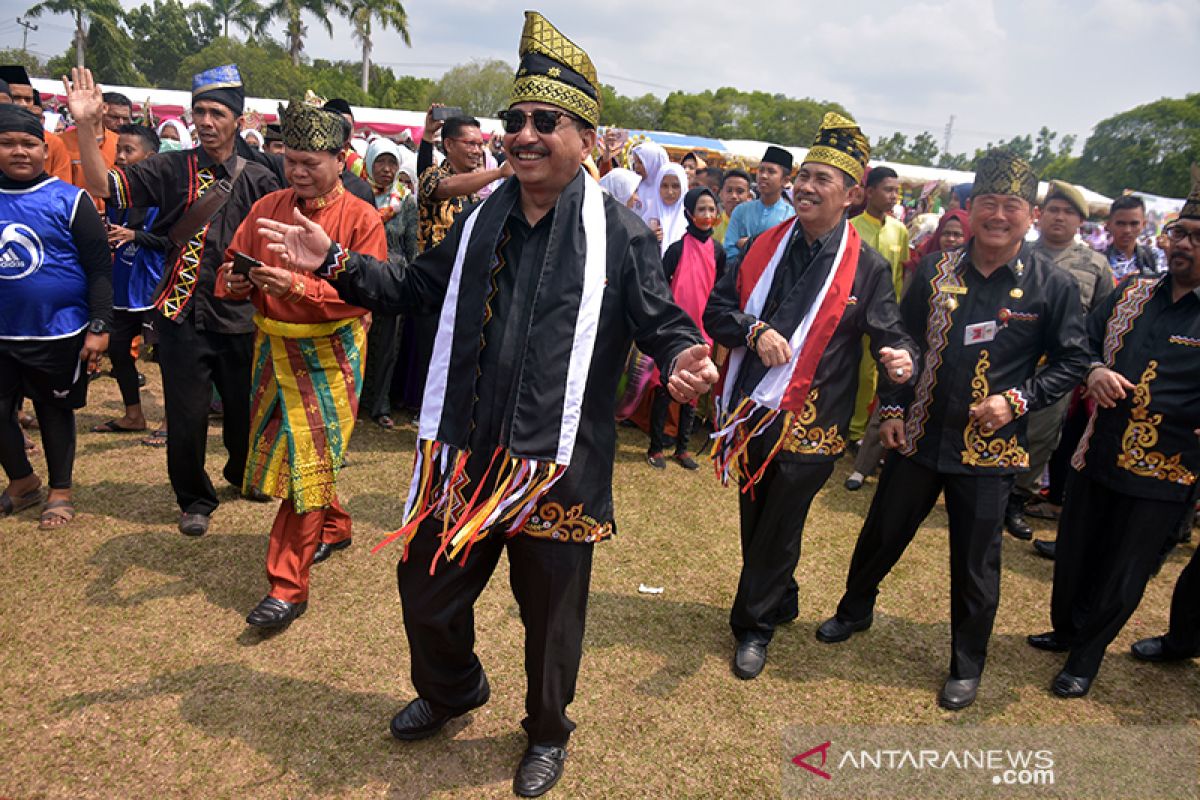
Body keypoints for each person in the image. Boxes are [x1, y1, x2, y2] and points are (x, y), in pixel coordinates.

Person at [254, 13, 717, 796]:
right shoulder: (480, 219)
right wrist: (334, 260)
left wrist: (680, 357)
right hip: (464, 452)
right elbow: (411, 286)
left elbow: (660, 319)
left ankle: (545, 731)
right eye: (515, 121)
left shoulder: (622, 232)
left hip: (558, 469)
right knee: (425, 591)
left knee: (552, 621)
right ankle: (452, 690)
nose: (524, 135)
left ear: (587, 137)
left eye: (546, 121)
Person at [816, 149, 1089, 711]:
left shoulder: (1050, 286)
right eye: (988, 202)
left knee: (974, 564)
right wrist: (892, 409)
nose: (998, 214)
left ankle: (967, 664)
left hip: (989, 452)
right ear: (971, 208)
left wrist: (1017, 400)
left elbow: (1072, 361)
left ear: (1029, 215)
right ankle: (854, 609)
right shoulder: (936, 272)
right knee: (882, 534)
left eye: (1011, 205)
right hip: (918, 436)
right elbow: (902, 341)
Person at [704, 113, 915, 680]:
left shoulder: (866, 267)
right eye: (806, 175)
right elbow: (716, 312)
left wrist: (899, 355)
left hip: (816, 423)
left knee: (782, 520)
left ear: (849, 196)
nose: (806, 186)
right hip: (753, 412)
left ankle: (754, 625)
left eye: (823, 179)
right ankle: (782, 591)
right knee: (757, 514)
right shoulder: (758, 247)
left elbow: (890, 331)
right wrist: (755, 331)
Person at [65, 64, 281, 537]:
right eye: (199, 111)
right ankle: (194, 498)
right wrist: (85, 125)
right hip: (181, 312)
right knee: (186, 415)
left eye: (217, 113)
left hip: (243, 315)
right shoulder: (170, 167)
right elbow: (105, 187)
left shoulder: (261, 179)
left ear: (238, 119)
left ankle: (242, 473)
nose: (206, 121)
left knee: (244, 411)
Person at [1026, 170, 1200, 698]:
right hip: (1098, 449)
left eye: (1197, 237)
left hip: (1167, 467)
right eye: (1180, 233)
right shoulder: (1132, 293)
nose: (1184, 245)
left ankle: (1087, 655)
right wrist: (1094, 370)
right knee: (1078, 549)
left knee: (1125, 569)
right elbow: (1080, 344)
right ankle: (1066, 630)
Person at [215, 100, 387, 627]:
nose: (298, 171)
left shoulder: (361, 216)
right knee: (297, 448)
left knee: (308, 460)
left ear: (342, 158)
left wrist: (297, 284)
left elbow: (364, 294)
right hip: (272, 347)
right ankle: (333, 526)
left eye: (311, 161)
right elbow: (227, 268)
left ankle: (287, 586)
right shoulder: (267, 204)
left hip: (332, 353)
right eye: (291, 159)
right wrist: (239, 282)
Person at [0, 103, 111, 529]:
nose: (19, 151)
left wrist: (100, 326)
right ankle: (22, 481)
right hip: (3, 334)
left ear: (45, 150)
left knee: (53, 412)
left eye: (29, 143)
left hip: (57, 332)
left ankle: (60, 490)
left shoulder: (69, 199)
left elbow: (100, 266)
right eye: (7, 143)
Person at [1004, 180, 1114, 541]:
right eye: (1053, 209)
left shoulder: (1095, 265)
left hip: (1056, 367)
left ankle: (1016, 500)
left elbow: (1100, 320)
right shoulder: (1017, 251)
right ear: (1040, 214)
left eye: (1068, 212)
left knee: (1041, 436)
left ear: (1080, 221)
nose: (1059, 217)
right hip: (1011, 358)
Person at [846, 209, 970, 491]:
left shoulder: (974, 274)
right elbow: (908, 315)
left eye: (958, 234)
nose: (951, 239)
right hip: (911, 355)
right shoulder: (928, 266)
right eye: (947, 233)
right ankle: (861, 469)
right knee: (886, 411)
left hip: (949, 371)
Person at [90, 123, 169, 436]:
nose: (120, 157)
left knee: (167, 361)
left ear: (149, 157)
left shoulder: (168, 195)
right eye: (117, 149)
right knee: (120, 352)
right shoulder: (117, 197)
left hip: (155, 290)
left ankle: (171, 421)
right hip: (123, 289)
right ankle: (133, 415)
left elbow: (174, 242)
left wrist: (136, 234)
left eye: (128, 151)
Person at [646, 187, 727, 470]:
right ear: (689, 213)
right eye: (701, 209)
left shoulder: (718, 252)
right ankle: (655, 447)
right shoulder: (677, 249)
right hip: (674, 329)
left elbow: (720, 291)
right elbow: (659, 285)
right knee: (664, 386)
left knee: (694, 388)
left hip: (702, 330)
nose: (706, 215)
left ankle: (683, 448)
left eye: (711, 209)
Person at [847, 167, 911, 458]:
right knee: (851, 369)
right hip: (851, 314)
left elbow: (900, 275)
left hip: (884, 318)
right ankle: (846, 424)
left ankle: (859, 431)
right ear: (869, 192)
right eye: (887, 189)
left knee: (874, 374)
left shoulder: (900, 230)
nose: (893, 196)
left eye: (896, 191)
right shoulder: (852, 227)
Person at [359, 136, 418, 430]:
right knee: (358, 339)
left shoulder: (405, 200)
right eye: (380, 161)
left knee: (388, 343)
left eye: (391, 162)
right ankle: (354, 399)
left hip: (394, 275)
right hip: (361, 272)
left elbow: (411, 245)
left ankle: (380, 404)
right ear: (369, 162)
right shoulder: (357, 194)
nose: (385, 169)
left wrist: (412, 282)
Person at [723, 146, 796, 264]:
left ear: (785, 180)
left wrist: (747, 244)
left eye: (771, 172)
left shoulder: (791, 217)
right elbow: (730, 252)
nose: (763, 176)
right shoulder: (741, 211)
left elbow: (784, 257)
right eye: (761, 170)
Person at [0, 66, 70, 183]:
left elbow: (62, 190)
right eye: (16, 98)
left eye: (28, 99)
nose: (23, 105)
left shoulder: (52, 142)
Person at [1105, 195, 1158, 281]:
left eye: (1134, 224)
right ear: (1109, 224)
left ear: (1143, 225)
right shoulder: (1097, 261)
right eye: (1121, 224)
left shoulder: (1151, 257)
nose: (1127, 230)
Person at [654, 162, 688, 254]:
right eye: (664, 186)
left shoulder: (690, 220)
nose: (670, 192)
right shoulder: (648, 217)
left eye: (676, 186)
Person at [714, 167, 752, 244]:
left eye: (740, 191)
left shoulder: (756, 225)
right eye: (729, 191)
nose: (734, 196)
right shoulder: (712, 226)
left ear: (749, 197)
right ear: (721, 194)